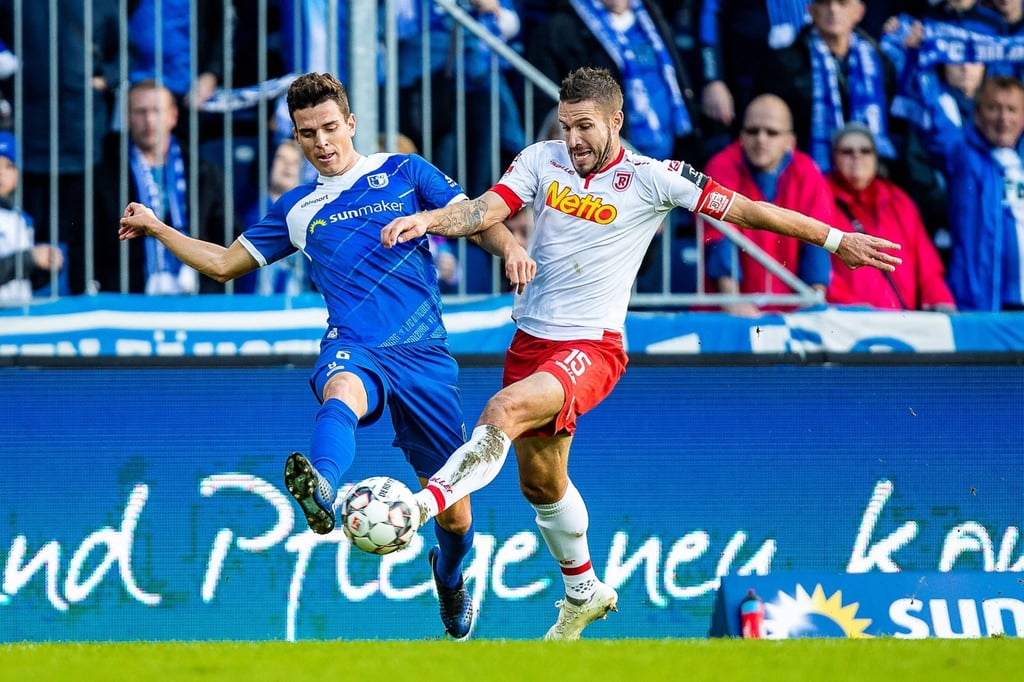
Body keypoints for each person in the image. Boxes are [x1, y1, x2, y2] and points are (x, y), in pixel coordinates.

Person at [379, 67, 901, 640]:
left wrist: (836, 240)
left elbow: (752, 211)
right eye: (566, 125)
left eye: (585, 126)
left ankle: (412, 511)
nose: (573, 139)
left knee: (502, 411)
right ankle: (582, 590)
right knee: (542, 485)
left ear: (615, 121)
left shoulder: (655, 178)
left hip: (592, 346)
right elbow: (486, 210)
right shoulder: (539, 159)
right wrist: (429, 219)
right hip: (531, 340)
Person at [118, 72, 534, 640]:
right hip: (354, 344)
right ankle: (323, 485)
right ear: (295, 137)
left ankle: (451, 575)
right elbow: (221, 264)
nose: (322, 142)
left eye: (330, 128)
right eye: (307, 133)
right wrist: (159, 227)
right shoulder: (296, 209)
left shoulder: (403, 173)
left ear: (351, 123)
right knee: (342, 389)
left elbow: (475, 217)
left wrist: (511, 245)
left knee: (455, 516)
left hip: (423, 355)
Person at [94, 79, 236, 294]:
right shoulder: (104, 176)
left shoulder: (204, 173)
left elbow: (228, 236)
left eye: (156, 111)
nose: (149, 120)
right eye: (140, 112)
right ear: (128, 118)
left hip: (198, 297)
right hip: (129, 299)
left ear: (173, 116)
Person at [698, 94, 834, 316]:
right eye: (752, 131)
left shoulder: (808, 172)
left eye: (771, 133)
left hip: (792, 309)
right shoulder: (721, 166)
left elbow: (817, 242)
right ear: (741, 136)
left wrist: (814, 303)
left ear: (790, 141)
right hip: (728, 310)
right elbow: (720, 238)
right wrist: (732, 300)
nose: (761, 139)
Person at [825, 121, 957, 311]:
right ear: (833, 158)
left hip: (901, 325)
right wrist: (854, 310)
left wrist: (940, 300)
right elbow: (819, 273)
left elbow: (927, 267)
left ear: (876, 158)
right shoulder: (820, 198)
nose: (857, 156)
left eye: (865, 151)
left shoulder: (898, 201)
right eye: (847, 151)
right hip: (847, 324)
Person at [0, 131, 63, 297]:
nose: (1, 173)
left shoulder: (22, 217)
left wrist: (46, 265)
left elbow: (26, 279)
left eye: (9, 166)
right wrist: (30, 259)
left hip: (21, 315)